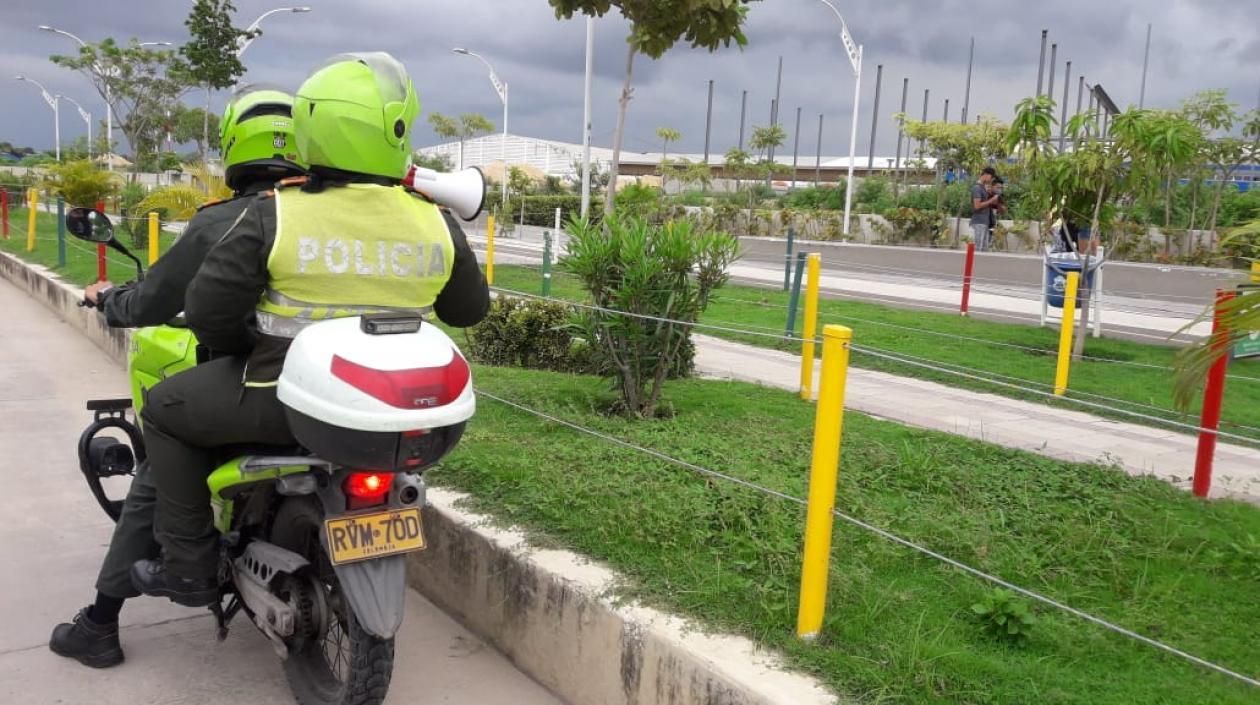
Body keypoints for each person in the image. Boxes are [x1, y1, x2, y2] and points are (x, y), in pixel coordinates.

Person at [130, 53, 490, 605]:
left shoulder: (278, 213)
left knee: (164, 412)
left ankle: (188, 565)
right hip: (400, 415)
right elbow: (468, 311)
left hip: (281, 397)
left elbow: (208, 313)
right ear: (393, 131)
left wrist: (238, 351)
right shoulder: (434, 220)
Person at [48, 87, 307, 668]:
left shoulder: (231, 218)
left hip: (255, 388)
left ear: (237, 144)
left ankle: (103, 622)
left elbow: (155, 299)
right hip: (337, 394)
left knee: (159, 461)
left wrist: (110, 301)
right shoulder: (326, 219)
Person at [970, 167, 1001, 251]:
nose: (991, 180)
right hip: (979, 222)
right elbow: (977, 206)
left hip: (985, 222)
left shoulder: (983, 188)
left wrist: (993, 197)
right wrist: (991, 200)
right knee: (978, 248)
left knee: (984, 249)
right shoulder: (977, 188)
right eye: (991, 177)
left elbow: (990, 204)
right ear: (986, 175)